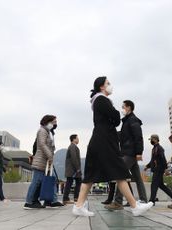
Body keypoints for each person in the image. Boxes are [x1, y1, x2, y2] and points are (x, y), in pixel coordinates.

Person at [72, 76, 153, 217]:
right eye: (108, 83)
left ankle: (79, 206)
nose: (110, 85)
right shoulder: (101, 100)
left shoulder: (98, 101)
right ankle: (135, 206)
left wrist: (114, 116)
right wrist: (115, 113)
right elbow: (116, 118)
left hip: (99, 140)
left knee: (92, 175)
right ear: (102, 87)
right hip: (105, 141)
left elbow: (115, 120)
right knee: (120, 172)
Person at [105, 100, 148, 211]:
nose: (122, 109)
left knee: (120, 174)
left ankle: (118, 202)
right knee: (138, 178)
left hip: (130, 153)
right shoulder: (127, 121)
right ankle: (144, 200)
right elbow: (124, 136)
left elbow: (138, 137)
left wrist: (139, 152)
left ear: (129, 107)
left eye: (123, 107)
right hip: (128, 152)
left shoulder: (133, 120)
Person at [24, 115, 64, 210]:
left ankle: (51, 201)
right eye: (54, 121)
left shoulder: (48, 132)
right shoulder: (42, 131)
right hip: (41, 160)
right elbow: (42, 144)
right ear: (48, 122)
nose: (55, 123)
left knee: (50, 180)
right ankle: (29, 202)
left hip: (46, 161)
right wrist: (50, 156)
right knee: (36, 182)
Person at [144, 135, 172, 205]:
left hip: (159, 169)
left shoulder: (159, 148)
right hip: (156, 169)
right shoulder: (154, 148)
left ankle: (152, 201)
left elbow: (163, 159)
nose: (150, 141)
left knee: (154, 185)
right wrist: (147, 166)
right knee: (161, 185)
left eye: (151, 139)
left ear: (155, 139)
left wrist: (166, 169)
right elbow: (153, 160)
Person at [63, 134, 82, 205]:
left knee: (77, 182)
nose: (78, 140)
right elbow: (74, 158)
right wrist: (78, 168)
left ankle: (76, 198)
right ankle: (66, 199)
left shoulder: (73, 147)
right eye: (77, 138)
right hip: (73, 170)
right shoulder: (72, 147)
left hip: (73, 169)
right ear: (74, 139)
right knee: (69, 183)